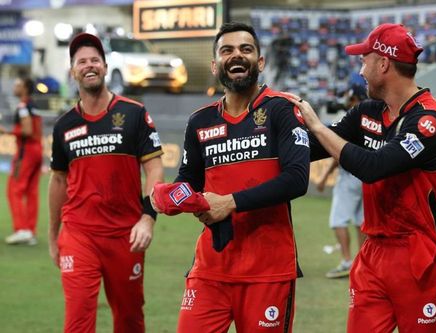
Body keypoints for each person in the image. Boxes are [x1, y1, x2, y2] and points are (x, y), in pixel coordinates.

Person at [289, 23, 436, 333]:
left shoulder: (430, 119)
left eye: (364, 60)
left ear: (383, 63)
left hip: (421, 255)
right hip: (374, 253)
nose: (361, 70)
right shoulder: (367, 112)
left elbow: (374, 166)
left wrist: (317, 125)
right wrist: (264, 132)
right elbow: (313, 148)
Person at [153, 22, 310, 332]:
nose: (236, 56)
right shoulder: (200, 120)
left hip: (268, 270)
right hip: (212, 267)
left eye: (246, 49)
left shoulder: (281, 110)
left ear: (260, 62)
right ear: (215, 65)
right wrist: (173, 196)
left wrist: (230, 202)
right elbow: (189, 179)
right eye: (227, 50)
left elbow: (296, 179)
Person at [48, 33, 164, 333]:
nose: (89, 66)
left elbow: (154, 169)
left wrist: (148, 218)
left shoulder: (134, 113)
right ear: (73, 71)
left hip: (126, 235)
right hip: (78, 233)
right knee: (77, 320)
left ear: (105, 65)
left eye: (95, 60)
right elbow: (58, 179)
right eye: (81, 61)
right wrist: (53, 233)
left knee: (129, 319)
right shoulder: (64, 125)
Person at [316, 85, 367, 279]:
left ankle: (347, 261)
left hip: (349, 176)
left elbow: (340, 153)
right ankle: (364, 262)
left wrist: (324, 176)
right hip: (367, 175)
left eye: (350, 99)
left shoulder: (353, 120)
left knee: (338, 220)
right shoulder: (372, 118)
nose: (347, 102)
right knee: (361, 221)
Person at [1, 77, 43, 246]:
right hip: (38, 151)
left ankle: (21, 229)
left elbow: (27, 130)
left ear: (25, 88)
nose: (14, 87)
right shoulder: (34, 106)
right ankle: (30, 232)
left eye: (17, 84)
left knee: (14, 190)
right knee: (32, 192)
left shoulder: (23, 106)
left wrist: (8, 132)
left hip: (26, 152)